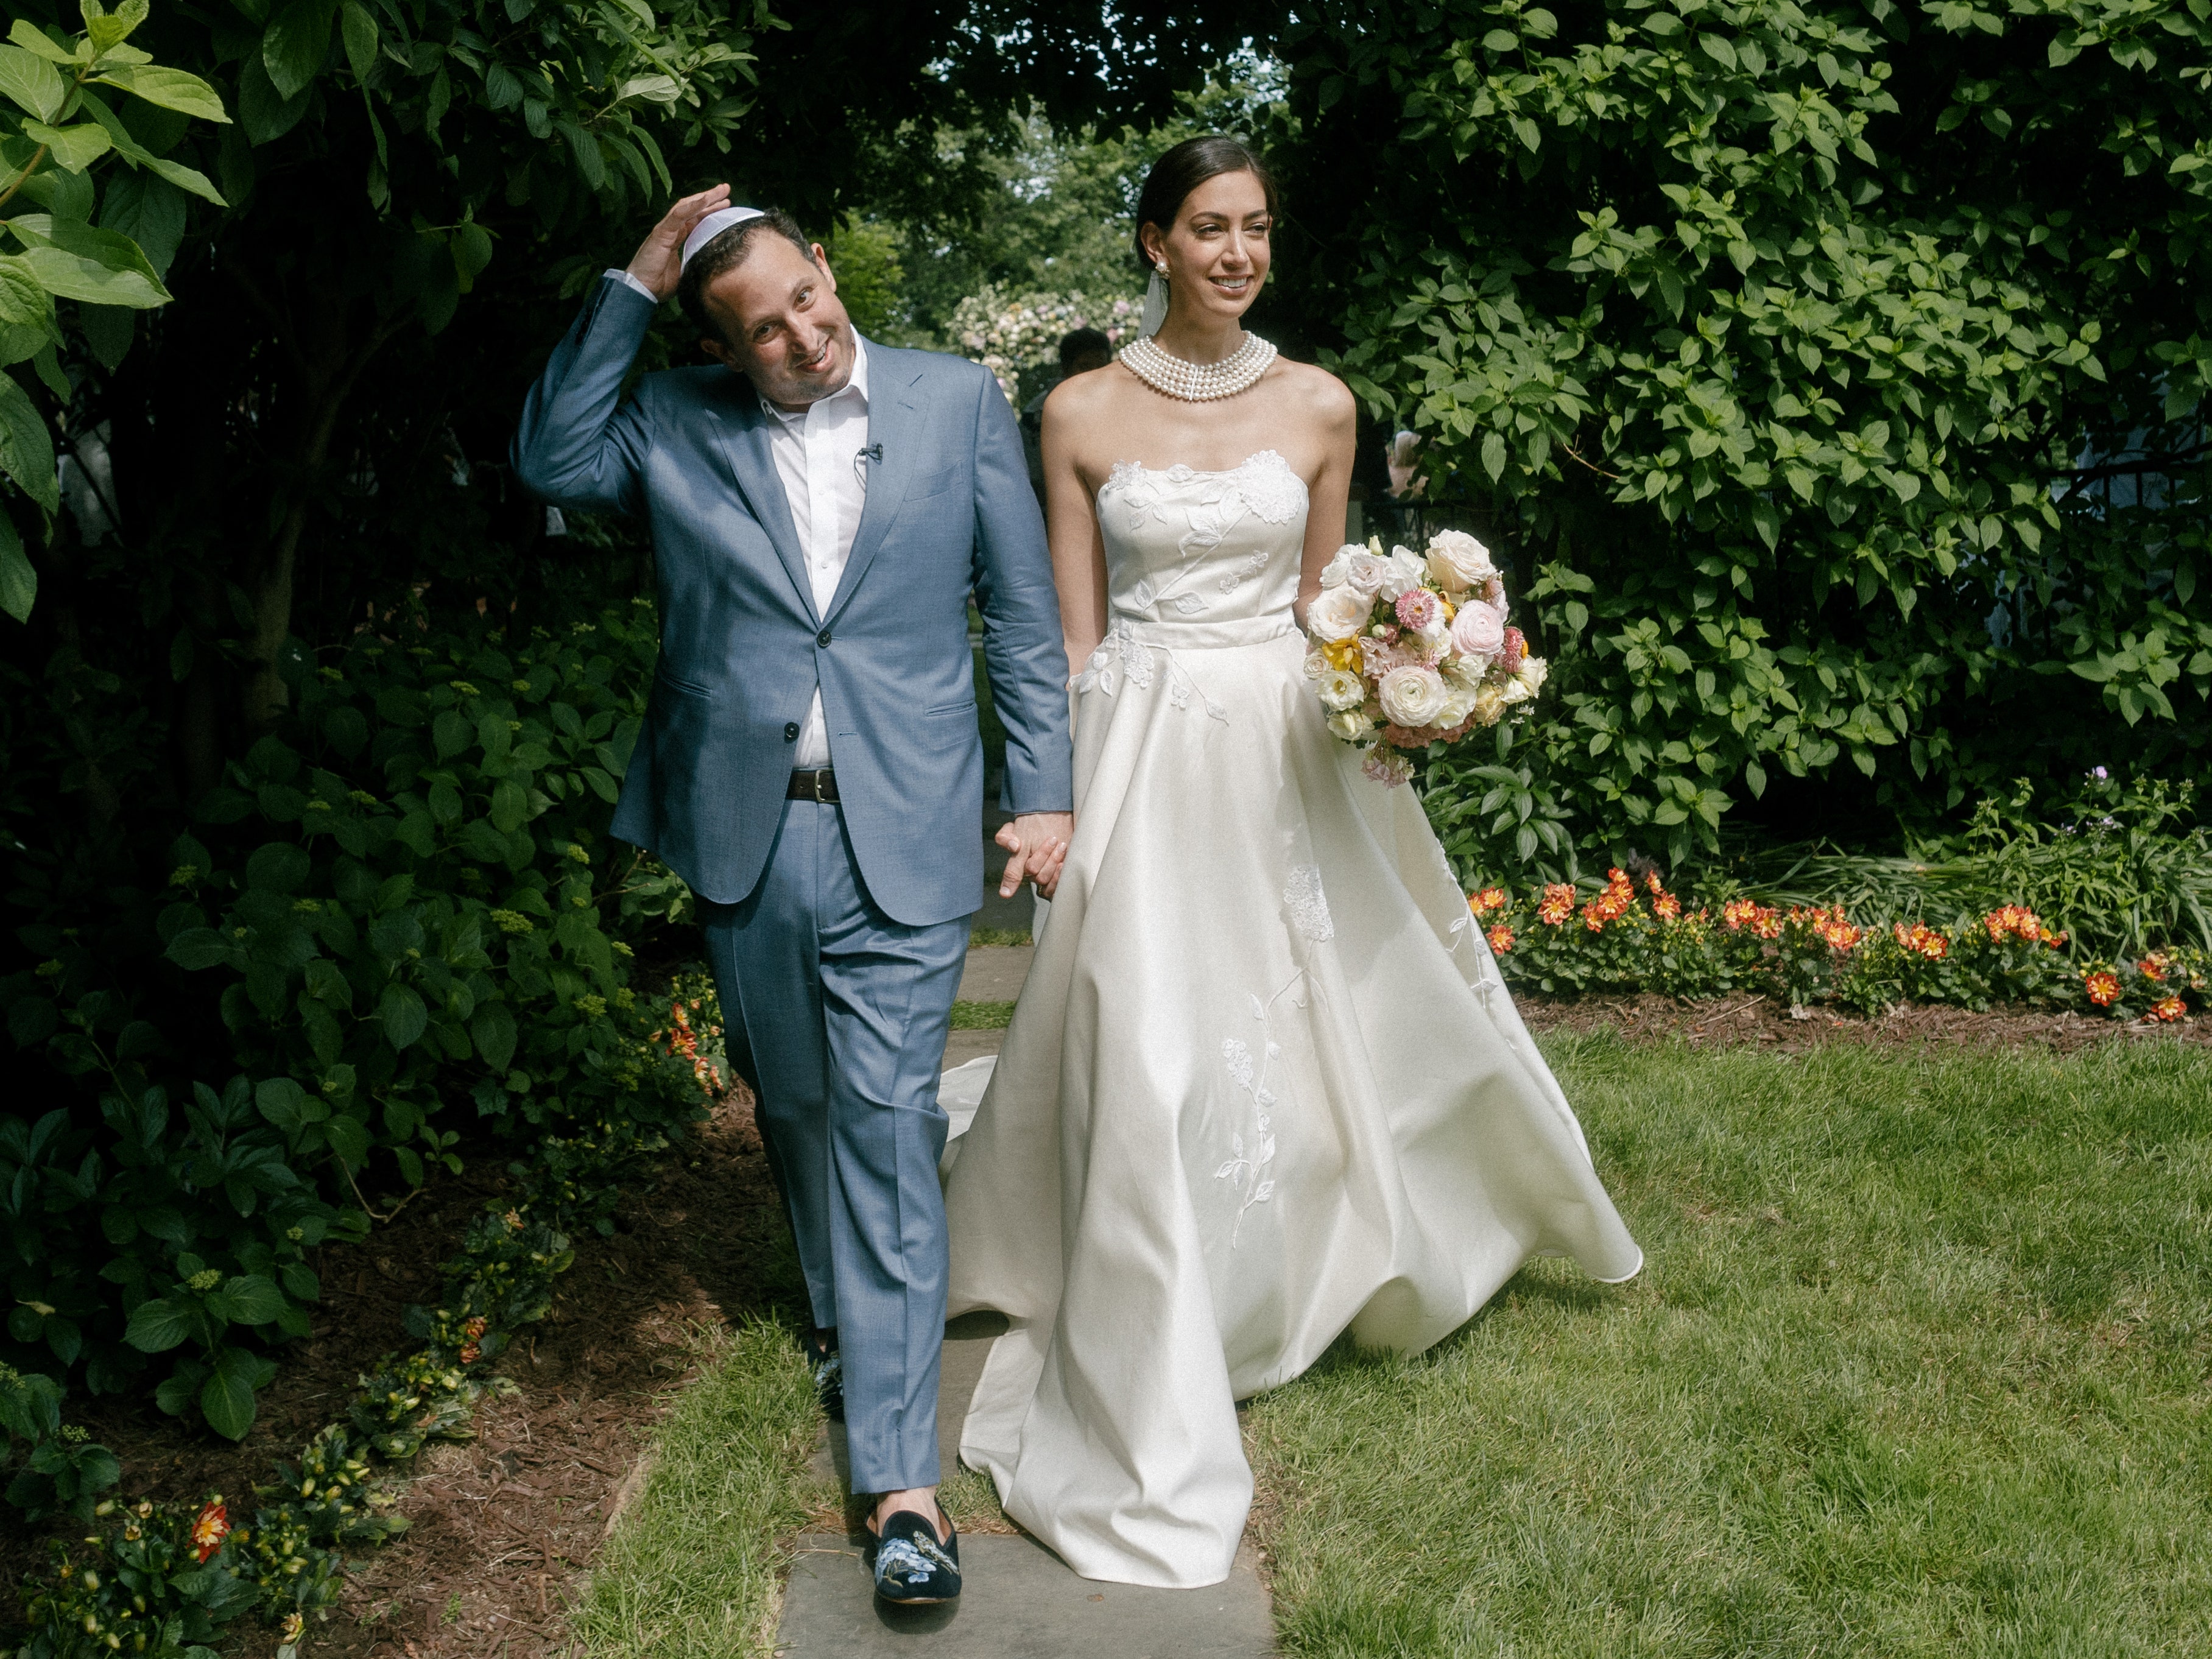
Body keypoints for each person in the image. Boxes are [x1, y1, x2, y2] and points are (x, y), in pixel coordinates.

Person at [939, 137, 1643, 1589]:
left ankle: (1331, 1245)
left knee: (1327, 1003)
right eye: (1207, 228)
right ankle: (1144, 1281)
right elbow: (1072, 641)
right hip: (1140, 737)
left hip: (1281, 742)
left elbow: (1332, 609)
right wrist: (1059, 800)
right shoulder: (1074, 411)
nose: (1235, 252)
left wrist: (1396, 691)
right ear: (1153, 241)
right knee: (1143, 1032)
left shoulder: (1318, 404)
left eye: (1253, 228)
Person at [512, 186, 1074, 1607]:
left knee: (886, 1117)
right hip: (746, 828)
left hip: (906, 815)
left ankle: (900, 1488)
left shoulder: (952, 404)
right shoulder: (680, 421)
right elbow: (553, 458)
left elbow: (1015, 607)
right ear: (721, 342)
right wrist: (635, 281)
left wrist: (1042, 787)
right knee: (797, 1099)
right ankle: (845, 1318)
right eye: (759, 331)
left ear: (828, 270)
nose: (799, 339)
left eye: (805, 303)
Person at [1021, 327, 1115, 498]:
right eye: (1085, 367)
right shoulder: (1037, 414)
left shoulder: (1120, 404)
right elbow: (1034, 478)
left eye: (1101, 366)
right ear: (1066, 369)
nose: (1094, 374)